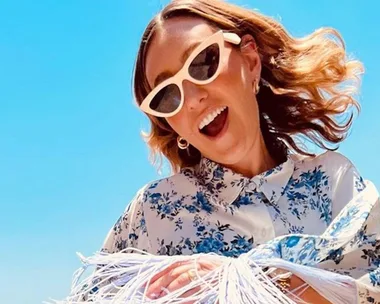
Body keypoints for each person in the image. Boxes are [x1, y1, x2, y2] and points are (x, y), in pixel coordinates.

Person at [99, 0, 379, 302]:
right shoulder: (152, 215)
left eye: (202, 62)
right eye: (167, 95)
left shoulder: (334, 181)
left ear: (250, 61)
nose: (192, 99)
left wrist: (234, 279)